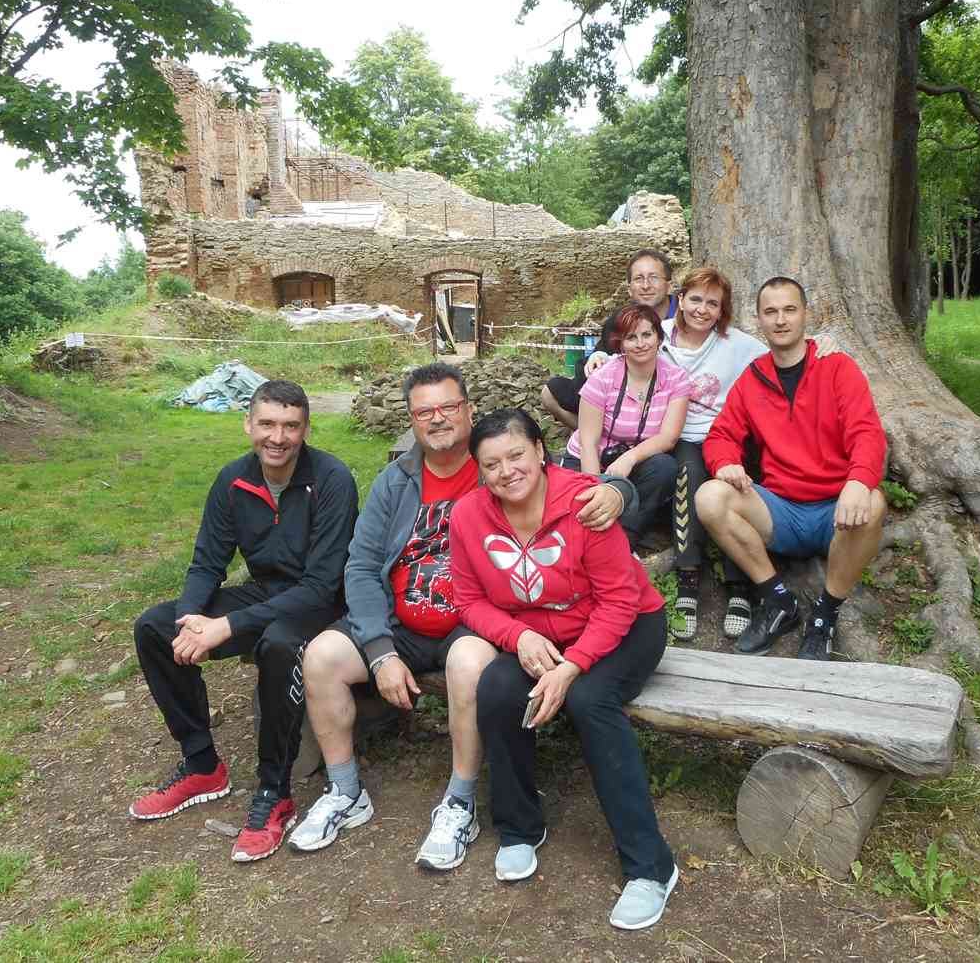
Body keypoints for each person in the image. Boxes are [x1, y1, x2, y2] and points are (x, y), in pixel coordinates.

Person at [288, 365, 637, 869]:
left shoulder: (499, 463)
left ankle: (460, 800)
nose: (437, 419)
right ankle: (345, 791)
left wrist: (620, 491)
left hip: (471, 621)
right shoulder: (395, 483)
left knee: (470, 664)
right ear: (411, 420)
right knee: (322, 655)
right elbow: (361, 566)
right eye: (424, 411)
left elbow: (578, 484)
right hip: (400, 620)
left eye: (448, 407)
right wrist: (380, 651)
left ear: (469, 411)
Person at [449, 409, 680, 930]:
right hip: (539, 633)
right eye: (491, 464)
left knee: (588, 700)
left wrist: (573, 666)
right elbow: (468, 599)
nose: (506, 471)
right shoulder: (468, 516)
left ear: (540, 450)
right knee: (497, 687)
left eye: (516, 455)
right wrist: (518, 636)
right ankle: (518, 829)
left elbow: (620, 600)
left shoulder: (584, 504)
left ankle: (651, 867)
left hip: (628, 624)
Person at [129, 380, 358, 863]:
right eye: (267, 424)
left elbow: (320, 586)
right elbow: (207, 562)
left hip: (322, 605)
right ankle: (202, 765)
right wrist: (192, 619)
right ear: (248, 424)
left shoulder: (332, 480)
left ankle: (275, 792)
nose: (278, 437)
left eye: (290, 426)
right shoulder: (233, 480)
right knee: (154, 628)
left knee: (278, 644)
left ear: (306, 430)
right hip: (266, 592)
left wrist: (227, 626)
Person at [696, 277, 888, 660]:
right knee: (709, 497)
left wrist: (858, 481)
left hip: (836, 512)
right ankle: (779, 602)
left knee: (874, 502)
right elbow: (721, 435)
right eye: (771, 312)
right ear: (759, 319)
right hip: (780, 511)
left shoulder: (837, 367)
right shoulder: (753, 378)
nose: (780, 320)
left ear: (805, 314)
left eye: (789, 310)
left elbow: (867, 433)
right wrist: (726, 462)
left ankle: (825, 615)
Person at [657, 267, 767, 640]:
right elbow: (622, 346)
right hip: (680, 434)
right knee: (687, 475)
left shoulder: (736, 344)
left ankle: (740, 585)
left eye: (712, 304)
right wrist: (597, 356)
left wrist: (825, 342)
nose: (702, 310)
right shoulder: (660, 334)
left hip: (726, 434)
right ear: (680, 299)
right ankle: (688, 582)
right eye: (696, 299)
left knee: (737, 485)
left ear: (722, 310)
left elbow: (786, 349)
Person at [560, 303, 691, 546]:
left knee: (664, 467)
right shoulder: (603, 377)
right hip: (588, 457)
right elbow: (589, 441)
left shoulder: (676, 378)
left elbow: (668, 437)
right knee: (582, 508)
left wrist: (629, 458)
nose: (641, 343)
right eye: (631, 337)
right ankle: (593, 540)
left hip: (633, 459)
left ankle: (625, 538)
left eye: (647, 334)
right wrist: (596, 488)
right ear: (620, 343)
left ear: (659, 337)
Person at [541, 248, 678, 432]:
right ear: (629, 289)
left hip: (673, 402)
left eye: (653, 278)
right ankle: (603, 438)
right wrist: (596, 358)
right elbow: (601, 355)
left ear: (669, 285)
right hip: (625, 400)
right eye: (638, 279)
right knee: (550, 393)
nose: (646, 286)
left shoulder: (687, 317)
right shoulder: (620, 320)